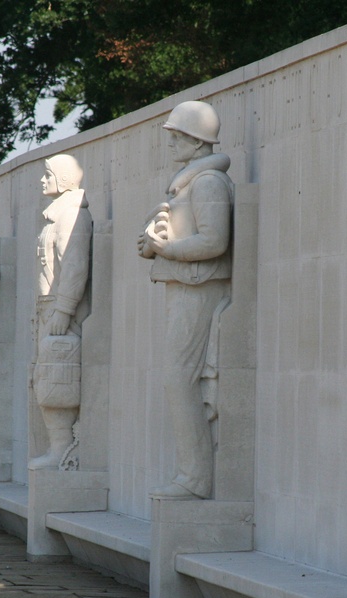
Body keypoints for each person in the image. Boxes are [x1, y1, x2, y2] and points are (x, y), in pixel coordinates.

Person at [137, 100, 234, 500]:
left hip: (199, 288)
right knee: (177, 380)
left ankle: (195, 479)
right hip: (183, 285)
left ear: (197, 142)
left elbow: (215, 241)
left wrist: (168, 249)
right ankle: (190, 475)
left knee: (180, 381)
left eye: (178, 136)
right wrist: (151, 245)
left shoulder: (208, 182)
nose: (171, 142)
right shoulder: (188, 182)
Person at [30, 154, 93, 470]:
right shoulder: (57, 215)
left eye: (48, 174)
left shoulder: (72, 216)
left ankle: (63, 450)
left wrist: (64, 310)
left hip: (61, 313)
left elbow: (74, 266)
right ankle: (57, 446)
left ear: (65, 178)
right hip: (48, 309)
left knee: (58, 377)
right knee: (45, 378)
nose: (43, 180)